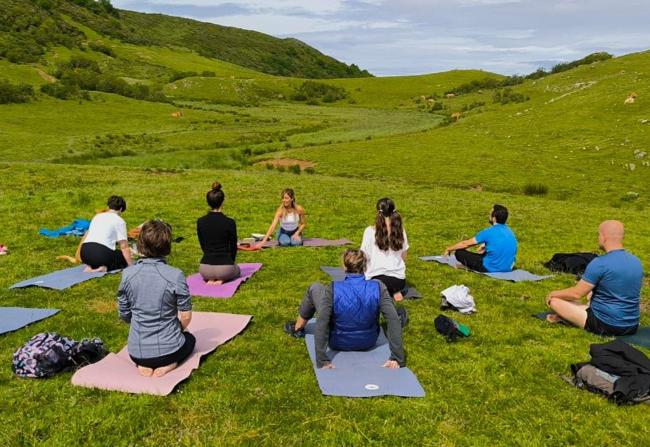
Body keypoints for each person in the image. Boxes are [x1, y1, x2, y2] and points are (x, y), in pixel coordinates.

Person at [284, 249, 405, 369]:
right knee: (388, 307)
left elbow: (322, 321)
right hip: (368, 341)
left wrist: (322, 360)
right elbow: (393, 319)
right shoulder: (378, 286)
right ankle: (400, 313)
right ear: (365, 266)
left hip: (337, 342)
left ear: (344, 267)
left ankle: (297, 328)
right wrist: (397, 358)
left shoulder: (332, 288)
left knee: (315, 287)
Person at [118, 220, 195, 377]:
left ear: (141, 244)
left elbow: (124, 315)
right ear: (167, 246)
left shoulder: (127, 274)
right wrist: (177, 329)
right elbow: (186, 316)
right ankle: (169, 364)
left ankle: (145, 363)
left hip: (136, 352)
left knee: (174, 341)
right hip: (170, 350)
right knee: (190, 339)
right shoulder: (175, 275)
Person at [545, 220, 643, 336]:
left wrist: (553, 293)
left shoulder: (600, 263)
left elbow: (576, 294)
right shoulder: (636, 261)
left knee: (555, 301)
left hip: (607, 325)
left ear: (603, 237)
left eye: (598, 235)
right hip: (632, 325)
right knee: (589, 296)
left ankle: (568, 318)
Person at [443, 204, 517, 273]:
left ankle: (470, 267)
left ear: (494, 218)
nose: (489, 215)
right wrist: (485, 246)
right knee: (484, 253)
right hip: (507, 268)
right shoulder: (510, 231)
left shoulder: (489, 231)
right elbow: (501, 243)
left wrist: (449, 248)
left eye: (490, 214)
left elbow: (465, 244)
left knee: (459, 252)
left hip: (490, 268)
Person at [361, 197, 409, 301]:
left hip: (375, 280)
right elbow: (404, 257)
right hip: (398, 281)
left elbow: (363, 256)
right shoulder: (401, 230)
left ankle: (386, 293)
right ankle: (394, 291)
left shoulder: (369, 231)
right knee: (385, 286)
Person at [196, 181, 240, 285]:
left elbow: (202, 245)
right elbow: (233, 247)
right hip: (225, 268)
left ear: (208, 202)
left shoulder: (200, 221)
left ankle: (212, 278)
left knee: (224, 270)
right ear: (223, 201)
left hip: (205, 269)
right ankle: (221, 279)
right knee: (238, 270)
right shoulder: (229, 222)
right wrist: (231, 262)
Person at [80, 195, 133, 273]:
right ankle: (104, 268)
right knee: (122, 257)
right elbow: (124, 247)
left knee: (104, 254)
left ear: (108, 206)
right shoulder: (119, 221)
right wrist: (131, 265)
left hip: (84, 253)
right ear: (121, 209)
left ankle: (90, 266)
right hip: (101, 254)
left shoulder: (97, 216)